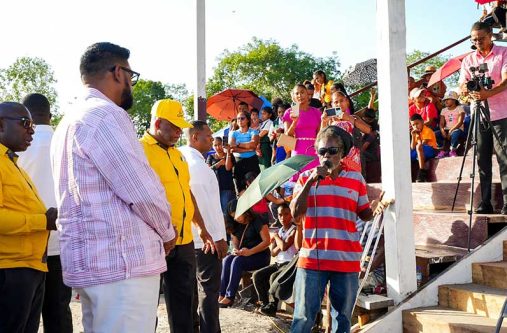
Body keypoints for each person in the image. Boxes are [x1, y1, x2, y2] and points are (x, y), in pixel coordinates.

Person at [51, 42, 176, 333]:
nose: (131, 83)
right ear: (118, 72)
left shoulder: (68, 121)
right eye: (132, 76)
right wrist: (167, 232)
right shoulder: (104, 115)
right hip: (122, 267)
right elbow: (140, 190)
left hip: (95, 264)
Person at [289, 126, 380, 333]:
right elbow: (295, 215)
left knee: (343, 320)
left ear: (343, 152)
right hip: (312, 260)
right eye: (322, 151)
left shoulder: (356, 179)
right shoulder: (305, 178)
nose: (326, 156)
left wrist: (374, 207)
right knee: (303, 319)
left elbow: (363, 213)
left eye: (332, 151)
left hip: (346, 260)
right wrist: (311, 182)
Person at [140, 99, 214, 333]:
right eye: (174, 127)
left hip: (183, 244)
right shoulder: (138, 151)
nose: (178, 132)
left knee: (184, 308)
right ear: (158, 122)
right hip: (153, 244)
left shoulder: (178, 155)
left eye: (181, 127)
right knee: (145, 309)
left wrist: (200, 226)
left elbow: (186, 191)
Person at [17, 93, 72, 333]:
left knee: (23, 315)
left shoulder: (14, 144)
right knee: (59, 310)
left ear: (25, 115)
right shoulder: (67, 142)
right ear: (50, 116)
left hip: (24, 243)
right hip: (63, 241)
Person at [0, 102, 57, 333]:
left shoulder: (13, 164)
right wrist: (43, 221)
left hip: (31, 268)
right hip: (10, 272)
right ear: (1, 124)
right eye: (25, 123)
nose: (32, 130)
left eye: (32, 124)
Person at [179, 120, 229, 333]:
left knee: (191, 290)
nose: (212, 139)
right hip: (205, 239)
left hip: (190, 239)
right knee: (209, 291)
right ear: (194, 137)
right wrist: (218, 237)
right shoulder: (196, 167)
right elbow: (205, 207)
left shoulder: (181, 158)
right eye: (208, 136)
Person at [460, 21, 507, 215]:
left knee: (505, 159)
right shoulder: (468, 59)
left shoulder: (503, 53)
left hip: (502, 113)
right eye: (474, 40)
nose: (477, 42)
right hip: (479, 115)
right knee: (482, 160)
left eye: (481, 38)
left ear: (490, 36)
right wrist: (467, 91)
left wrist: (489, 92)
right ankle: (485, 202)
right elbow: (462, 86)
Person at [219, 200, 271, 308]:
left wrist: (250, 251)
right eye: (233, 217)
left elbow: (267, 241)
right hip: (245, 254)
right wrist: (235, 250)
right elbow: (236, 245)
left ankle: (230, 297)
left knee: (237, 261)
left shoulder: (258, 220)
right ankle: (222, 294)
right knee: (227, 260)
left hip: (260, 255)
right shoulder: (236, 224)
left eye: (237, 216)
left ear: (245, 211)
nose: (236, 219)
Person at [253, 203, 297, 317]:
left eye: (286, 214)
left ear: (291, 215)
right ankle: (264, 303)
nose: (282, 218)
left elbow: (284, 247)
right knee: (257, 275)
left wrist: (277, 238)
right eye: (280, 215)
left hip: (289, 264)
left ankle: (273, 306)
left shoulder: (294, 229)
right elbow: (273, 252)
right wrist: (280, 240)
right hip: (278, 263)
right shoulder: (280, 230)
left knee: (274, 277)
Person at [321, 90, 372, 172]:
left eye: (341, 101)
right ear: (332, 105)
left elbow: (368, 130)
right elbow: (321, 138)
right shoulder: (330, 120)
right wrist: (323, 121)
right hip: (336, 156)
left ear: (347, 102)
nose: (339, 104)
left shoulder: (354, 117)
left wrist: (349, 118)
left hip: (352, 156)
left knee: (353, 180)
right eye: (336, 102)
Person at [282, 84, 322, 177]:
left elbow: (320, 134)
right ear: (294, 97)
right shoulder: (289, 112)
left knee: (315, 179)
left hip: (315, 150)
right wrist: (294, 122)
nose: (300, 95)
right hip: (298, 150)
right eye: (297, 93)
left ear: (308, 94)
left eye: (302, 92)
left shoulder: (316, 112)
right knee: (299, 180)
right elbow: (287, 135)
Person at [229, 111, 261, 193]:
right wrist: (248, 148)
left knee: (255, 189)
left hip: (252, 162)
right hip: (238, 162)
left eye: (242, 118)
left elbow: (253, 145)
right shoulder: (233, 133)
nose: (239, 120)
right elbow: (232, 148)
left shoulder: (254, 131)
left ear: (247, 120)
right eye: (238, 118)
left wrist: (238, 144)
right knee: (241, 190)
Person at [207, 136, 235, 213]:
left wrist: (228, 152)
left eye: (219, 144)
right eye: (215, 145)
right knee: (223, 212)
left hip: (229, 186)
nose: (217, 147)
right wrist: (218, 164)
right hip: (217, 188)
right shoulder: (211, 157)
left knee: (232, 211)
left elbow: (228, 168)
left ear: (222, 144)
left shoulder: (228, 155)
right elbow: (208, 171)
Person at [435, 91, 466, 158]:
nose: (446, 101)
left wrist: (451, 130)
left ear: (454, 100)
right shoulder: (443, 110)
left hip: (458, 129)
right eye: (445, 100)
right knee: (436, 134)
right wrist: (442, 131)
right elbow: (441, 123)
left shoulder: (459, 108)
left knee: (455, 133)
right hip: (447, 129)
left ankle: (452, 151)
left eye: (448, 99)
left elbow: (460, 122)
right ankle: (442, 151)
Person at [410, 114, 438, 182]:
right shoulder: (416, 133)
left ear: (422, 122)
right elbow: (412, 147)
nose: (415, 126)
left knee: (419, 146)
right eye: (413, 125)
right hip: (421, 150)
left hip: (431, 150)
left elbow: (423, 144)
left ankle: (422, 171)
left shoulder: (427, 130)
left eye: (417, 123)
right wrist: (413, 136)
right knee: (406, 154)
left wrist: (418, 137)